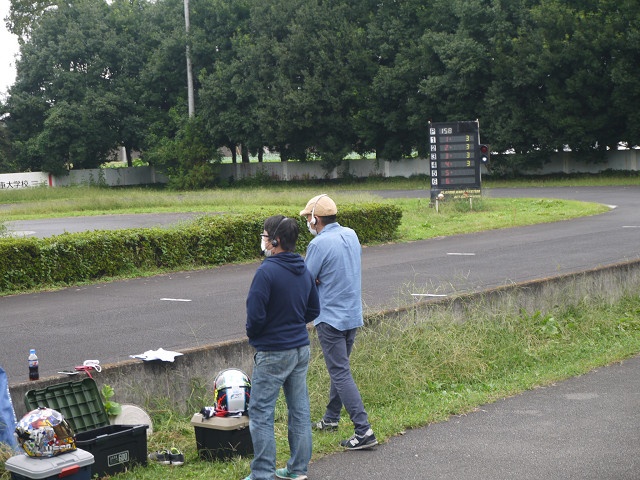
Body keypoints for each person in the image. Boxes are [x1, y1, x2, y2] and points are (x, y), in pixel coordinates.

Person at [244, 215, 321, 480]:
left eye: (265, 236)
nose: (263, 240)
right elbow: (313, 309)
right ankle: (298, 469)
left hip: (273, 351)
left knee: (261, 411)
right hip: (300, 347)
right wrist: (293, 323)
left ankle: (262, 473)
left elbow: (255, 317)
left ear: (275, 240)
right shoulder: (303, 269)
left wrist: (258, 335)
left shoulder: (266, 272)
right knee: (299, 409)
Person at [299, 194, 378, 450]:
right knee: (340, 369)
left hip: (330, 316)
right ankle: (331, 418)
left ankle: (363, 430)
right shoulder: (351, 234)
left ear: (315, 219)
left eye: (308, 218)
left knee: (340, 373)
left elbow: (305, 280)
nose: (307, 222)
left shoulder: (318, 244)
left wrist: (316, 280)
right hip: (352, 313)